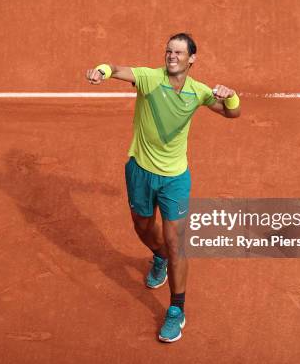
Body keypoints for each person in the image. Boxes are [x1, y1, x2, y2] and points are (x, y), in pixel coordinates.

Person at [84, 33, 241, 343]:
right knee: (143, 227)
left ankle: (176, 310)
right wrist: (101, 70)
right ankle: (159, 258)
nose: (172, 56)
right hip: (140, 172)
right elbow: (116, 69)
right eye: (169, 51)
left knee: (175, 241)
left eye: (179, 52)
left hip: (174, 179)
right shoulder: (149, 79)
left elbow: (231, 112)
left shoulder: (198, 92)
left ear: (191, 59)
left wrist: (231, 95)